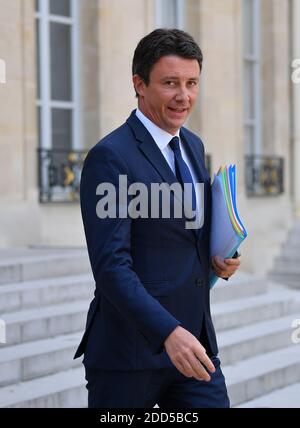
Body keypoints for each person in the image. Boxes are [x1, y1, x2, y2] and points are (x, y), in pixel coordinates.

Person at [74, 28, 241, 408]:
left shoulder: (193, 145)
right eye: (170, 83)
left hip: (194, 346)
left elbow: (182, 236)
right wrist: (169, 332)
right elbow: (112, 267)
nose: (184, 96)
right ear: (139, 84)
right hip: (128, 356)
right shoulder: (110, 157)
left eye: (192, 83)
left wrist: (217, 259)